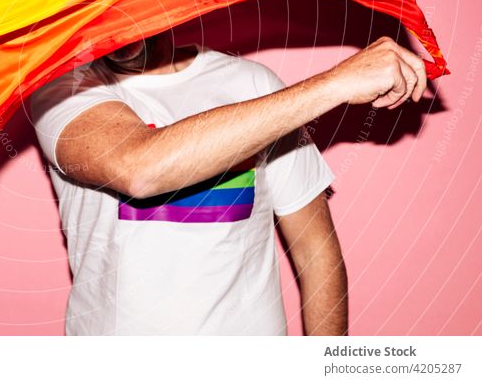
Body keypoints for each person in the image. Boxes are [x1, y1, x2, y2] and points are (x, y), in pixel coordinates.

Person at [29, 30, 427, 336]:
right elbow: (138, 167)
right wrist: (334, 84)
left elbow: (315, 250)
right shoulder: (60, 92)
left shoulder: (253, 84)